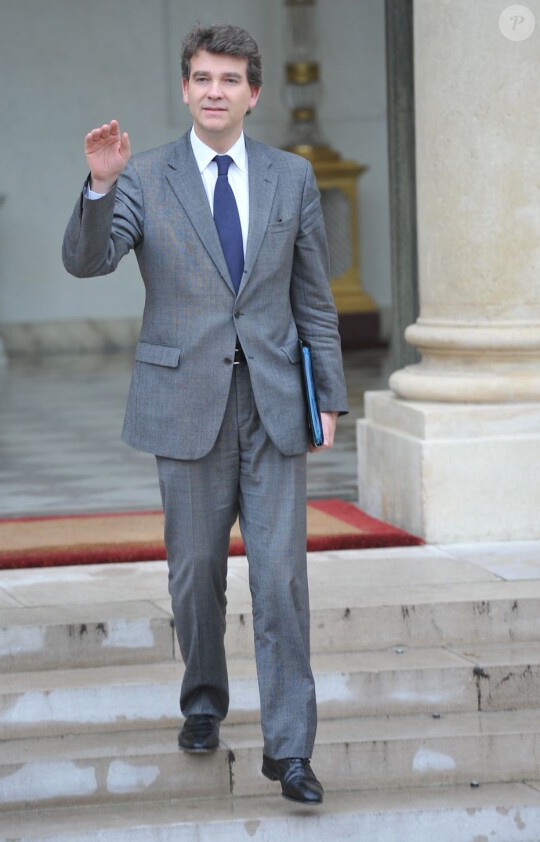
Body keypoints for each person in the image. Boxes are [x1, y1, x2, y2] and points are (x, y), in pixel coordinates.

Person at [62, 23, 348, 805]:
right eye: (202, 78)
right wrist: (98, 187)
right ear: (185, 90)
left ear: (253, 93)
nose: (215, 90)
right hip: (185, 403)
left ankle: (291, 751)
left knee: (282, 579)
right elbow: (88, 261)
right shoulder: (144, 177)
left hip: (274, 407)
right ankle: (203, 700)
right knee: (195, 575)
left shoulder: (290, 178)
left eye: (230, 79)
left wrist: (329, 393)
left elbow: (314, 301)